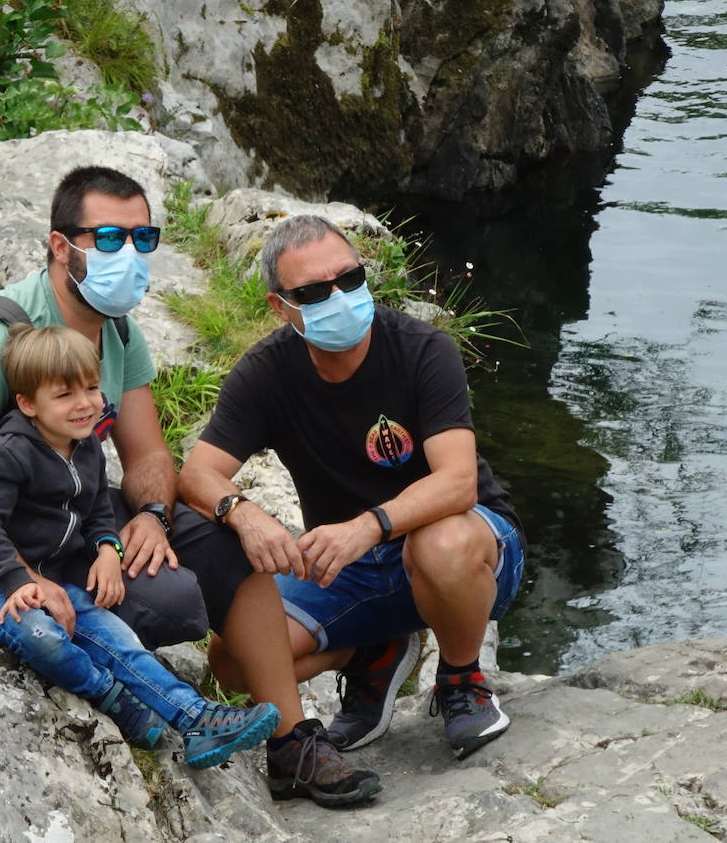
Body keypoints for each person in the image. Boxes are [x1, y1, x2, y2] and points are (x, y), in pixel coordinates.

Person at [0, 166, 381, 805]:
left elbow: (149, 449)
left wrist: (151, 514)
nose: (126, 256)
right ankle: (154, 711)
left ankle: (292, 742)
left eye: (142, 238)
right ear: (59, 244)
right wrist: (21, 577)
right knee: (175, 601)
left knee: (227, 543)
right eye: (106, 238)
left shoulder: (118, 328)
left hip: (75, 529)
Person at [179, 214, 527, 768]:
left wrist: (367, 525)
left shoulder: (421, 348)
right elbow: (197, 473)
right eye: (314, 291)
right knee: (235, 660)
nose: (338, 297)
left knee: (436, 545)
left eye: (349, 278)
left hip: (467, 546)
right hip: (352, 568)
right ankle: (374, 652)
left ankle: (461, 679)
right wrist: (242, 512)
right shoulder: (266, 372)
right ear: (280, 307)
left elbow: (458, 482)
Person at [0, 323, 278, 765]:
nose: (84, 404)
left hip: (51, 578)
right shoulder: (11, 451)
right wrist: (16, 579)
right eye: (63, 395)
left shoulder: (84, 445)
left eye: (92, 388)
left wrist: (107, 549)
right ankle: (117, 702)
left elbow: (99, 505)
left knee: (115, 637)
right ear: (28, 404)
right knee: (42, 636)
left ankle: (198, 719)